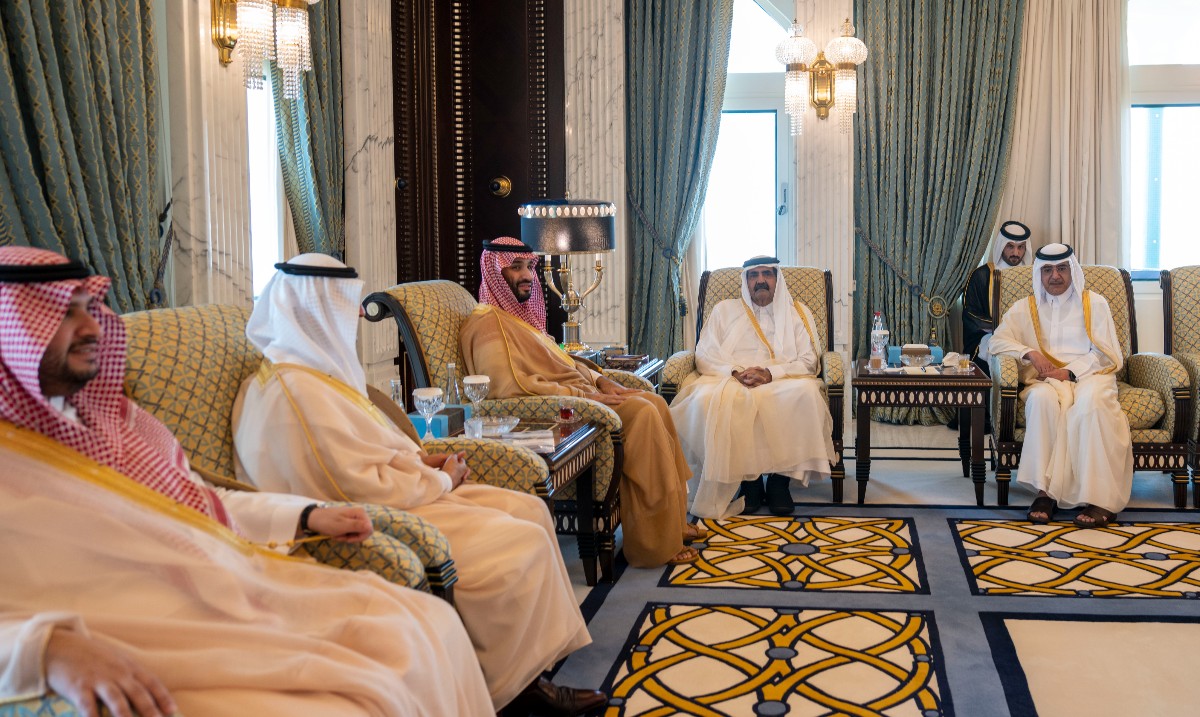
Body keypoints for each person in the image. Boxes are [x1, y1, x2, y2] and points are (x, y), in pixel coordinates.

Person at [0, 246, 494, 716]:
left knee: (430, 624)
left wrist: (302, 514)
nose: (92, 327)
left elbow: (191, 499)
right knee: (368, 691)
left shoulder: (112, 420)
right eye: (65, 313)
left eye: (90, 308)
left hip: (214, 585)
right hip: (125, 627)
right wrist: (46, 649)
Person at [232, 253, 604, 717]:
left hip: (404, 485)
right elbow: (347, 483)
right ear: (313, 310)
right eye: (341, 305)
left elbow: (369, 446)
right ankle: (504, 690)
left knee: (529, 510)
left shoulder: (315, 375)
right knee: (517, 545)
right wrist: (440, 477)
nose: (351, 317)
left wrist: (422, 459)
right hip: (373, 512)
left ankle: (532, 671)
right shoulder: (292, 390)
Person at [460, 237, 703, 568]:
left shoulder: (521, 321)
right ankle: (654, 545)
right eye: (515, 268)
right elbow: (510, 391)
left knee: (654, 401)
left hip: (584, 396)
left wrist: (602, 379)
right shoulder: (487, 323)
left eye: (529, 266)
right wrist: (592, 397)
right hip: (565, 411)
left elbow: (564, 362)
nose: (527, 275)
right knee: (644, 413)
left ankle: (673, 523)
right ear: (493, 273)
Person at [669, 257, 836, 518]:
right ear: (745, 281)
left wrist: (771, 374)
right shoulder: (724, 310)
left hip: (781, 381)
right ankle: (750, 482)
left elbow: (809, 360)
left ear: (776, 279)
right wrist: (733, 372)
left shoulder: (797, 313)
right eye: (754, 275)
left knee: (805, 395)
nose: (760, 280)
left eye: (767, 274)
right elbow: (703, 355)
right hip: (729, 378)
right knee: (710, 399)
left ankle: (781, 482)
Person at [989, 243, 1132, 528]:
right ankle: (1045, 493)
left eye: (1062, 268)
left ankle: (1100, 498)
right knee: (1040, 400)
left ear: (1072, 270)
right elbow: (997, 341)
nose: (1055, 276)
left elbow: (1105, 354)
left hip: (1092, 376)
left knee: (1091, 405)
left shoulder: (1095, 303)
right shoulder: (1025, 309)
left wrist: (1070, 372)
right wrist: (1030, 353)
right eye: (1048, 270)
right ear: (1039, 274)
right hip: (1045, 382)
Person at [962, 220, 1031, 374]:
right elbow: (971, 315)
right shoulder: (982, 276)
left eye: (1021, 247)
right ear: (1001, 245)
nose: (1016, 253)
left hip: (1027, 338)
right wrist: (1003, 329)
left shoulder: (1032, 277)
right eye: (1010, 246)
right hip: (991, 337)